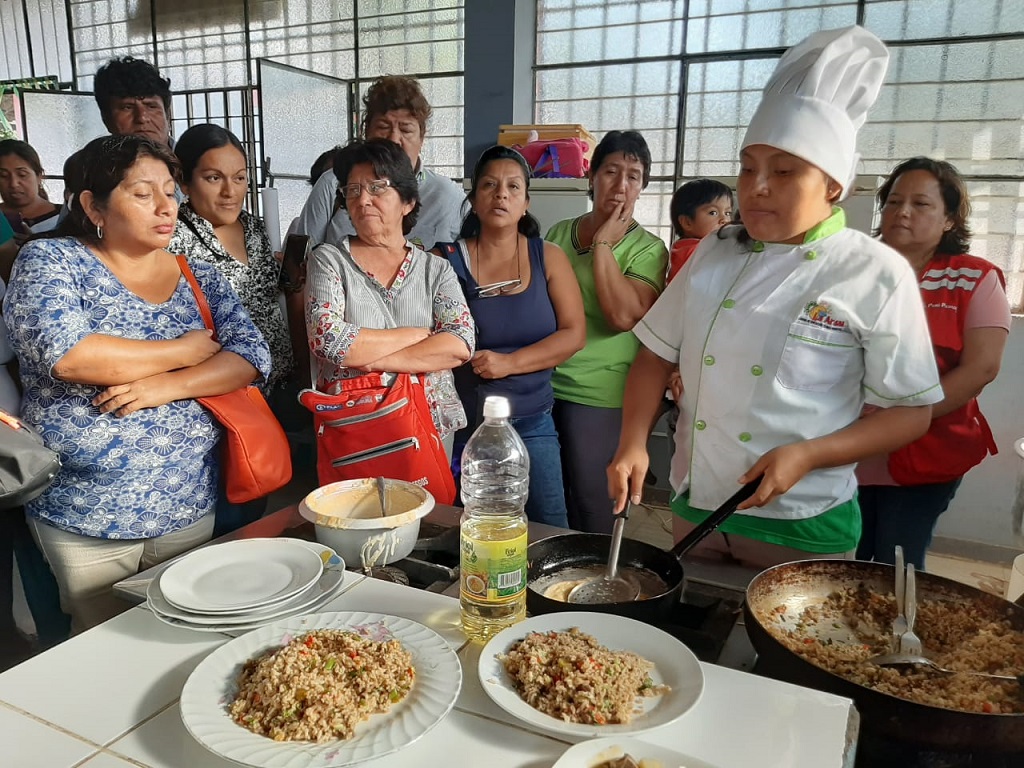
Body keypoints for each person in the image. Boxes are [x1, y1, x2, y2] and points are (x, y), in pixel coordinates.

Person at [608, 26, 944, 570]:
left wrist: (809, 453)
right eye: (747, 167)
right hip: (698, 501)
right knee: (697, 644)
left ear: (833, 184)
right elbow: (653, 355)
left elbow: (910, 414)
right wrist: (633, 442)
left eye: (784, 171)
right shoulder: (716, 251)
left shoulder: (874, 271)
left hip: (804, 519)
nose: (756, 186)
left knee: (792, 650)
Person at [3, 134, 270, 631]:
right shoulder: (52, 262)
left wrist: (166, 386)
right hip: (86, 510)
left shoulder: (197, 274)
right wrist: (182, 352)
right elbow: (69, 356)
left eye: (170, 191)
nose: (165, 207)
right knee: (103, 641)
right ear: (93, 205)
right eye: (143, 194)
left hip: (188, 498)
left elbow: (252, 355)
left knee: (189, 629)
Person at [855, 157, 1010, 570]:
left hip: (926, 449)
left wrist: (900, 420)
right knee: (840, 558)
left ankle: (895, 633)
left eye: (921, 204)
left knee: (896, 564)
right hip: (844, 445)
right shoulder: (852, 270)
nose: (902, 212)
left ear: (948, 220)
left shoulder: (974, 278)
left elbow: (981, 369)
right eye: (893, 201)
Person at [305, 138, 474, 497]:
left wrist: (373, 358)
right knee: (357, 526)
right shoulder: (329, 260)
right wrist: (420, 334)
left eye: (377, 187)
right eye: (353, 190)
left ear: (408, 201)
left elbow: (460, 342)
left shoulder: (435, 270)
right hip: (356, 424)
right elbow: (329, 341)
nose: (362, 199)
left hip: (429, 422)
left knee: (427, 521)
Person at [435, 145, 585, 528]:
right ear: (473, 198)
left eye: (512, 187)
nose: (501, 194)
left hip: (534, 420)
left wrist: (508, 364)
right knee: (468, 527)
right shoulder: (445, 260)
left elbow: (573, 334)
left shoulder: (548, 256)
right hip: (464, 428)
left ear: (525, 203)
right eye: (489, 185)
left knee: (551, 526)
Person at [168, 123, 295, 535]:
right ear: (184, 182)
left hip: (267, 384)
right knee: (225, 502)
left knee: (257, 481)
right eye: (213, 178)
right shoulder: (173, 240)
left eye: (239, 178)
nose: (230, 191)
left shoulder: (256, 229)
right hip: (213, 393)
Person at [544, 130, 668, 533]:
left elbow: (622, 316)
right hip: (546, 383)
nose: (621, 185)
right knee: (548, 500)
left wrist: (602, 246)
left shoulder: (649, 249)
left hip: (602, 394)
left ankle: (597, 587)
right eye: (611, 171)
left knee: (593, 506)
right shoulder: (560, 233)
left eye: (633, 176)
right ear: (592, 177)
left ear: (643, 187)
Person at [295, 75, 464, 252]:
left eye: (406, 130)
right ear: (366, 132)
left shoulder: (449, 197)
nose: (394, 139)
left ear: (422, 137)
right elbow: (300, 260)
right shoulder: (332, 183)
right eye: (383, 127)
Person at [93, 56, 173, 149]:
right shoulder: (87, 162)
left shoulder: (190, 159)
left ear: (167, 116)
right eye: (127, 107)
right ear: (106, 118)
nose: (142, 118)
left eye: (151, 106)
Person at [0, 140, 61, 256]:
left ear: (39, 176)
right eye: (3, 176)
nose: (13, 183)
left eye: (22, 175)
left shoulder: (64, 218)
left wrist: (37, 247)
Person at [667, 178, 733, 282]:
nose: (724, 220)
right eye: (713, 213)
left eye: (728, 213)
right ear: (687, 222)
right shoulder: (693, 251)